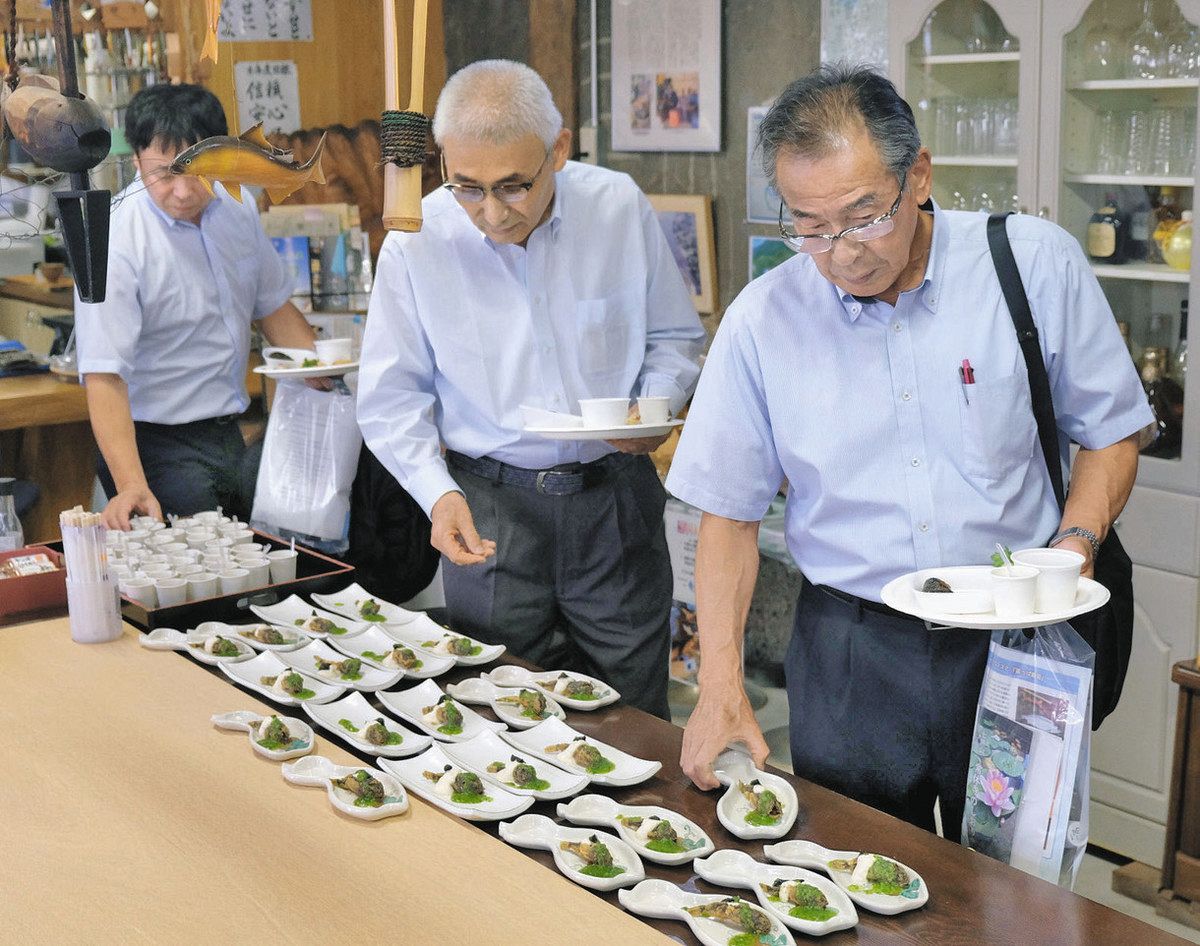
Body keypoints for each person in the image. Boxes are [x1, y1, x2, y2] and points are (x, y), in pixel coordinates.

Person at [666, 64, 1154, 834]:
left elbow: (1112, 431)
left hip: (1012, 637)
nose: (841, 252)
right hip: (850, 654)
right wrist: (719, 678)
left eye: (864, 216)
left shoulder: (1031, 264)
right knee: (854, 871)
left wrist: (1076, 542)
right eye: (810, 226)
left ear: (918, 175)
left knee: (1015, 881)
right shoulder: (765, 318)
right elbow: (727, 514)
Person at [356, 59, 705, 719]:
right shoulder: (415, 240)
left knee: (634, 713)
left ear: (560, 151)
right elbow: (391, 397)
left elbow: (674, 338)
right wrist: (438, 495)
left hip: (612, 500)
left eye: (514, 186)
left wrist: (653, 405)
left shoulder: (617, 206)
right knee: (502, 708)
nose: (492, 212)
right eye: (467, 187)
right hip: (486, 505)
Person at [75, 84, 322, 530]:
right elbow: (104, 374)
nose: (185, 191)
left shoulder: (237, 206)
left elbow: (273, 308)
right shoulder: (113, 238)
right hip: (155, 444)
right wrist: (131, 484)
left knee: (262, 560)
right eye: (165, 175)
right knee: (210, 581)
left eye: (200, 172)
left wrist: (325, 370)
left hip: (228, 431)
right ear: (136, 161)